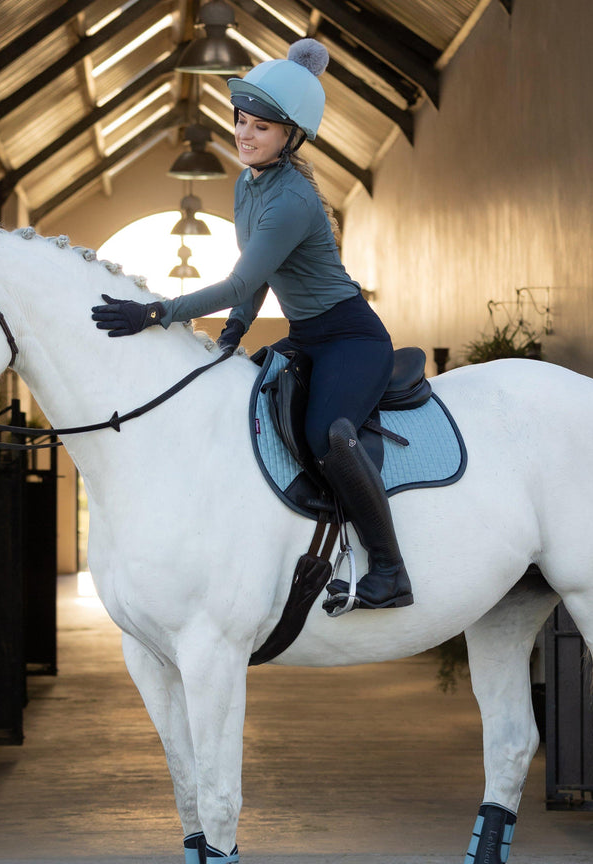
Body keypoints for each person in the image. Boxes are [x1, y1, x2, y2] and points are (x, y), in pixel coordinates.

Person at [91, 39, 412, 612]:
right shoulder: (248, 184)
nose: (245, 133)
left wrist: (154, 312)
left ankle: (389, 569)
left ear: (291, 136)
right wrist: (232, 336)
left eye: (261, 127)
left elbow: (239, 283)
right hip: (307, 336)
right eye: (241, 119)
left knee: (329, 435)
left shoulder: (292, 201)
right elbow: (259, 275)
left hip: (351, 338)